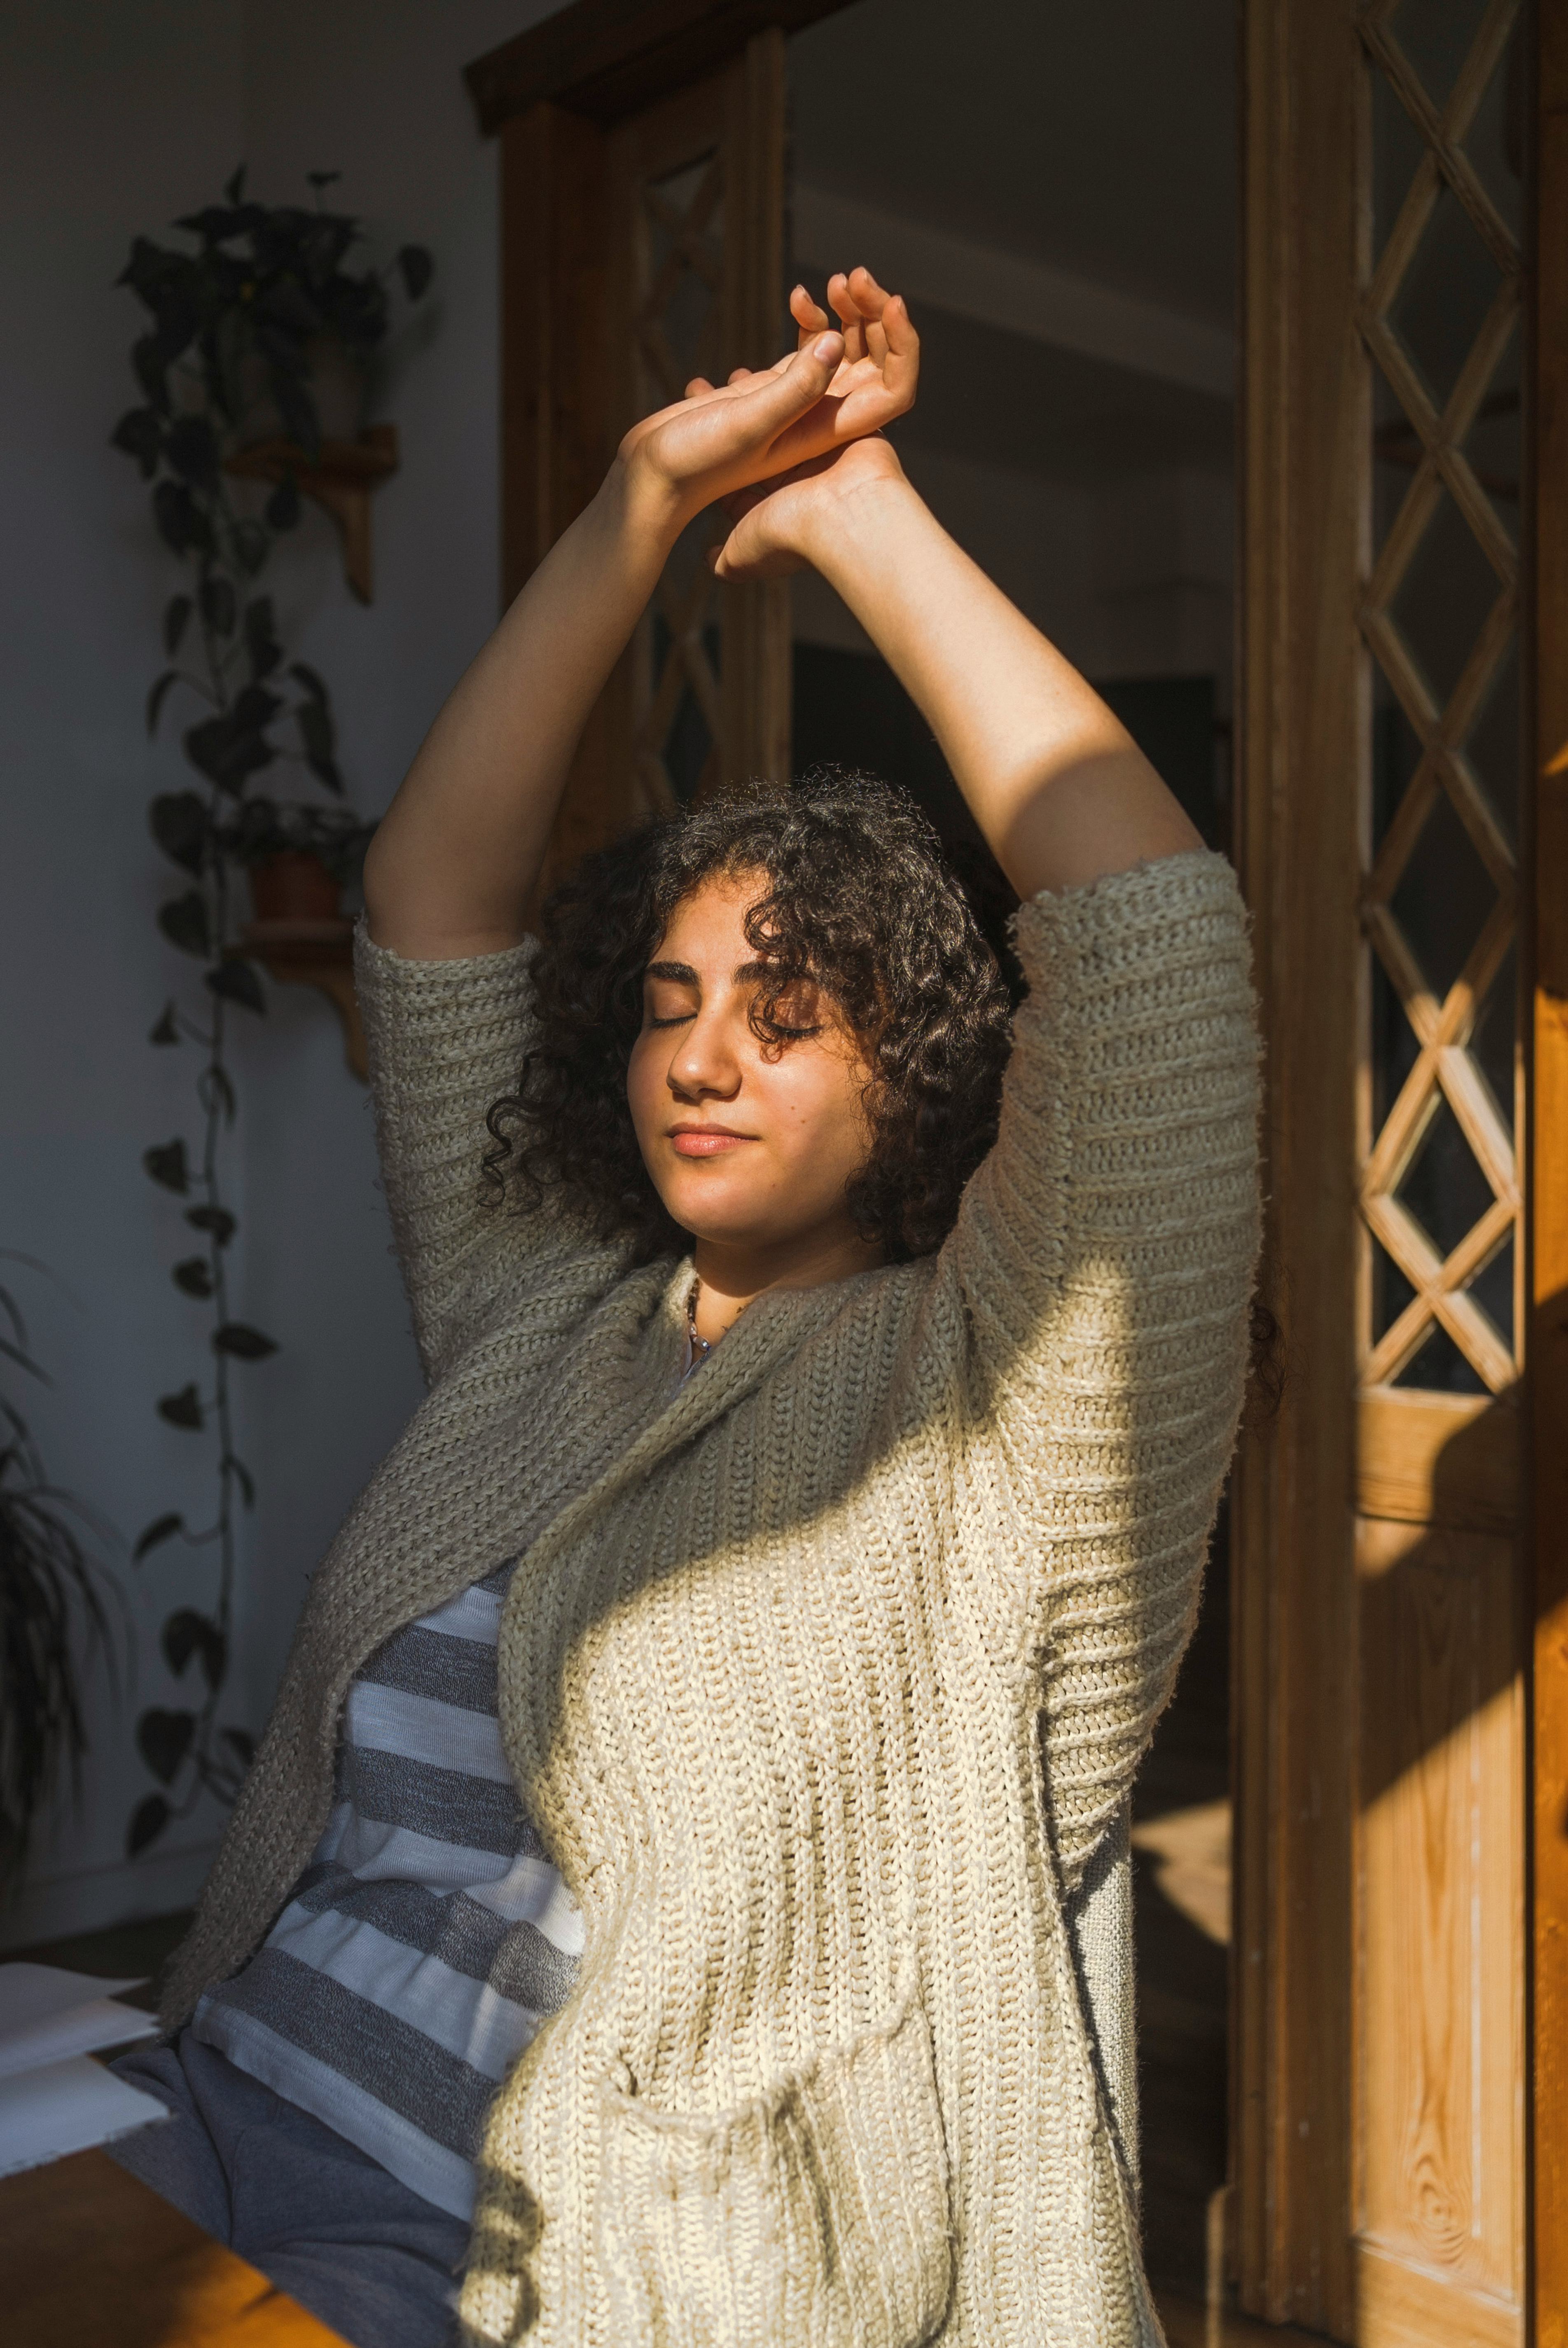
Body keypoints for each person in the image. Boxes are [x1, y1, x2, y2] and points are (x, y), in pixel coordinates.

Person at [114, 270, 1260, 2348]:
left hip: (542, 2276)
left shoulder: (1006, 1417)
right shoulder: (552, 1309)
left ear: (919, 1070)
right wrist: (640, 496)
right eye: (665, 1010)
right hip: (205, 2101)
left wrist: (862, 519)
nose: (699, 1063)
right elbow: (428, 917)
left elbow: (1153, 934)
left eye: (786, 1016)